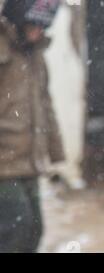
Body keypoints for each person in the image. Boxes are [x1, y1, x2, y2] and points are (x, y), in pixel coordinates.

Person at [0, 0, 62, 252]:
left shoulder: (36, 58)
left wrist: (56, 152)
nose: (38, 31)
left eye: (42, 26)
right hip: (4, 163)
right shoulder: (3, 53)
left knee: (35, 229)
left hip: (29, 161)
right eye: (33, 24)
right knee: (16, 227)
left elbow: (45, 105)